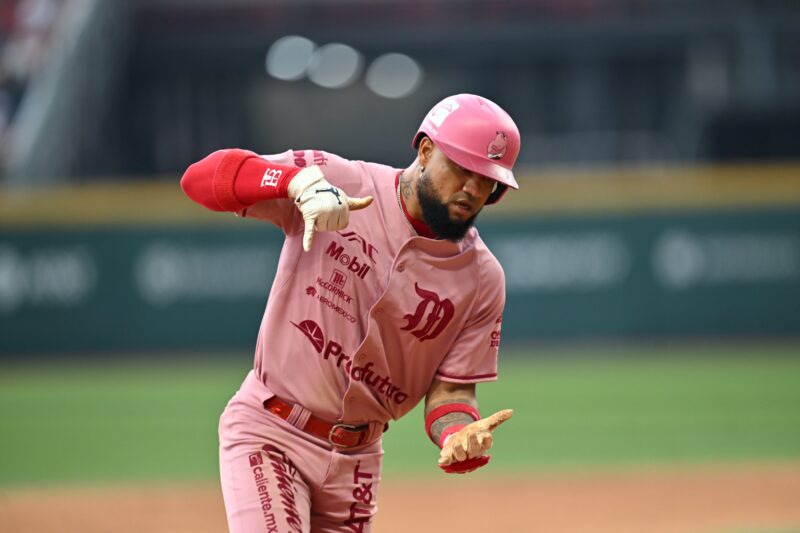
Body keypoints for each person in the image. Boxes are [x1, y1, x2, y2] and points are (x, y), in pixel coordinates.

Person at [181, 93, 520, 533]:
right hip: (271, 433)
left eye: (487, 180)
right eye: (463, 169)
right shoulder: (339, 181)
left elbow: (452, 395)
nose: (474, 189)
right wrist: (293, 184)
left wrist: (458, 434)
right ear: (425, 150)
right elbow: (199, 180)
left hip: (358, 464)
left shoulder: (482, 278)